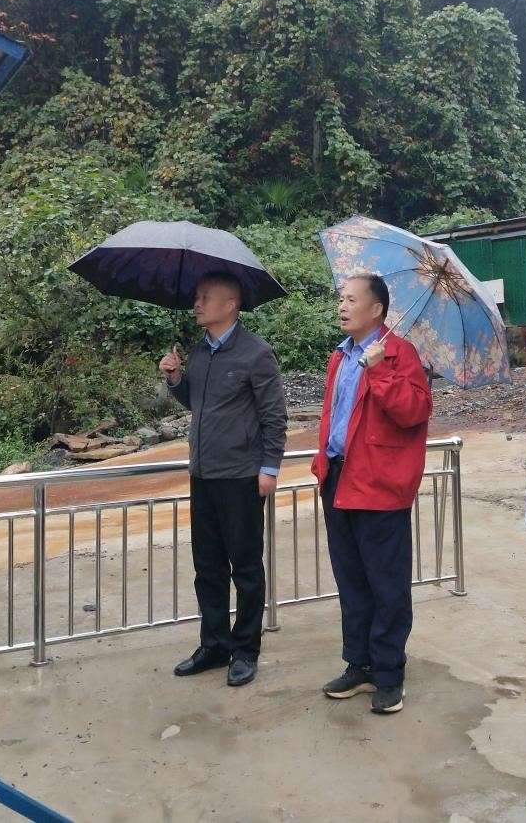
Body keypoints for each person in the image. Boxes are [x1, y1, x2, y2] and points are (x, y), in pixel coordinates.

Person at [310, 273, 432, 714]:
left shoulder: (400, 353)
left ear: (377, 309)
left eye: (351, 299)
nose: (342, 306)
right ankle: (359, 664)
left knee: (387, 584)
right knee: (352, 580)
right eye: (340, 298)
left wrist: (381, 370)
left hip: (379, 484)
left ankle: (388, 673)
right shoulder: (340, 356)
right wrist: (321, 464)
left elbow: (415, 412)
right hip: (339, 479)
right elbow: (333, 415)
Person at [160, 271, 287, 687]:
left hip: (241, 477)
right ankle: (214, 645)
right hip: (203, 475)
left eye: (205, 297)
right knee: (207, 567)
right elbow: (196, 402)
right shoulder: (199, 351)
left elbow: (274, 416)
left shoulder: (256, 353)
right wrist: (175, 379)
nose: (197, 303)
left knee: (246, 568)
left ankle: (245, 649)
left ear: (230, 305)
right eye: (196, 297)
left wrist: (269, 468)